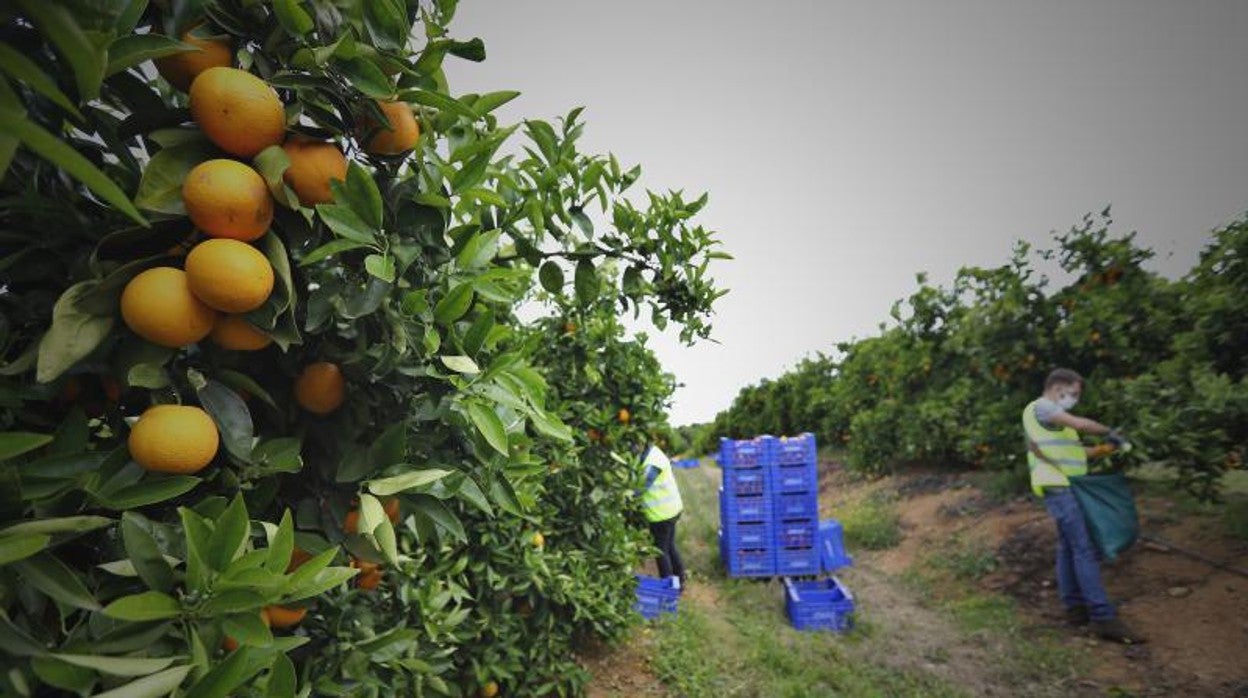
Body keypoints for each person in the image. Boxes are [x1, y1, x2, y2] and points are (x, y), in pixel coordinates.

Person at [1023, 367, 1142, 643]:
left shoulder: (1051, 421)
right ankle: (1102, 617)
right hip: (1059, 488)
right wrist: (1112, 432)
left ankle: (1074, 608)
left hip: (1063, 486)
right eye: (1072, 394)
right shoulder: (1042, 407)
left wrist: (1105, 448)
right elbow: (1081, 424)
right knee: (1083, 549)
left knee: (1068, 547)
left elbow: (1072, 451)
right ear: (1057, 388)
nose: (1074, 399)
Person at [640, 444, 687, 586]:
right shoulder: (654, 452)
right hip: (671, 510)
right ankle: (680, 579)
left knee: (661, 551)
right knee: (669, 546)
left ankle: (668, 587)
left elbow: (640, 487)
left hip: (661, 515)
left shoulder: (652, 463)